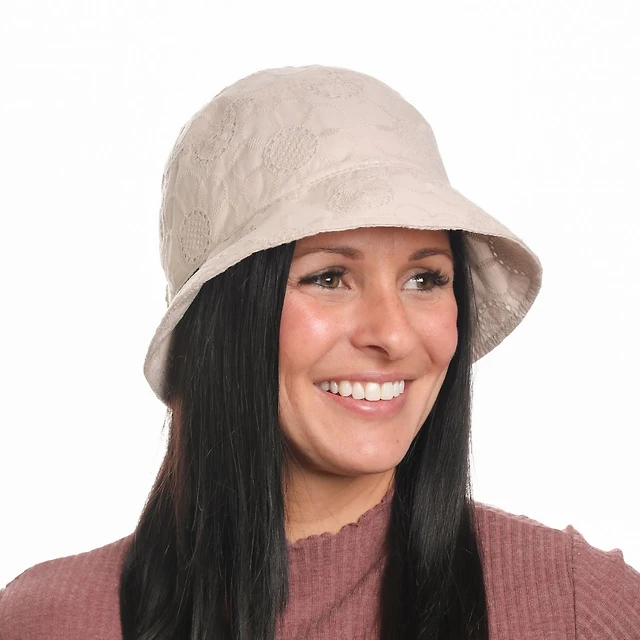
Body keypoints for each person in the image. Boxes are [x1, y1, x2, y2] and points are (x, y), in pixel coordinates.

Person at [0, 64, 638, 640]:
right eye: (329, 278)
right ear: (225, 318)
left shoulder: (577, 608)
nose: (392, 335)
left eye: (425, 279)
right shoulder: (50, 622)